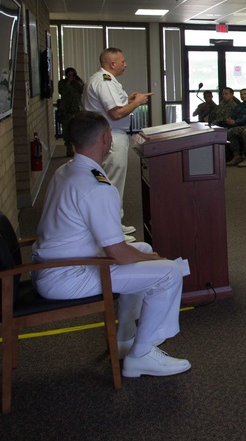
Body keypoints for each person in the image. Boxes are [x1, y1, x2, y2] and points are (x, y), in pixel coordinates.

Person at [32, 111, 191, 377]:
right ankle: (141, 355)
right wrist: (158, 262)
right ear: (106, 138)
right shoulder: (96, 185)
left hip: (53, 267)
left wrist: (146, 257)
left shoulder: (66, 170)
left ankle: (125, 340)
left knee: (141, 248)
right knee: (169, 272)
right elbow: (117, 253)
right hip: (66, 275)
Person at [83, 47, 152, 236]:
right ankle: (110, 232)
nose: (126, 65)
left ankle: (114, 223)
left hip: (109, 135)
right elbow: (116, 113)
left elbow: (115, 105)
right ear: (112, 64)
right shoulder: (104, 82)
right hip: (111, 136)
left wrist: (129, 99)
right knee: (111, 184)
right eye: (123, 62)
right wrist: (136, 103)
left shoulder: (106, 80)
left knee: (113, 184)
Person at [57, 67, 84, 156]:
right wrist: (68, 82)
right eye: (69, 74)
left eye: (72, 74)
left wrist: (77, 80)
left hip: (77, 110)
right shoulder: (62, 83)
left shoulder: (78, 82)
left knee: (78, 130)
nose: (71, 76)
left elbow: (82, 90)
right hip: (66, 110)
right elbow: (62, 92)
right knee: (67, 130)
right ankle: (69, 149)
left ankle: (79, 150)